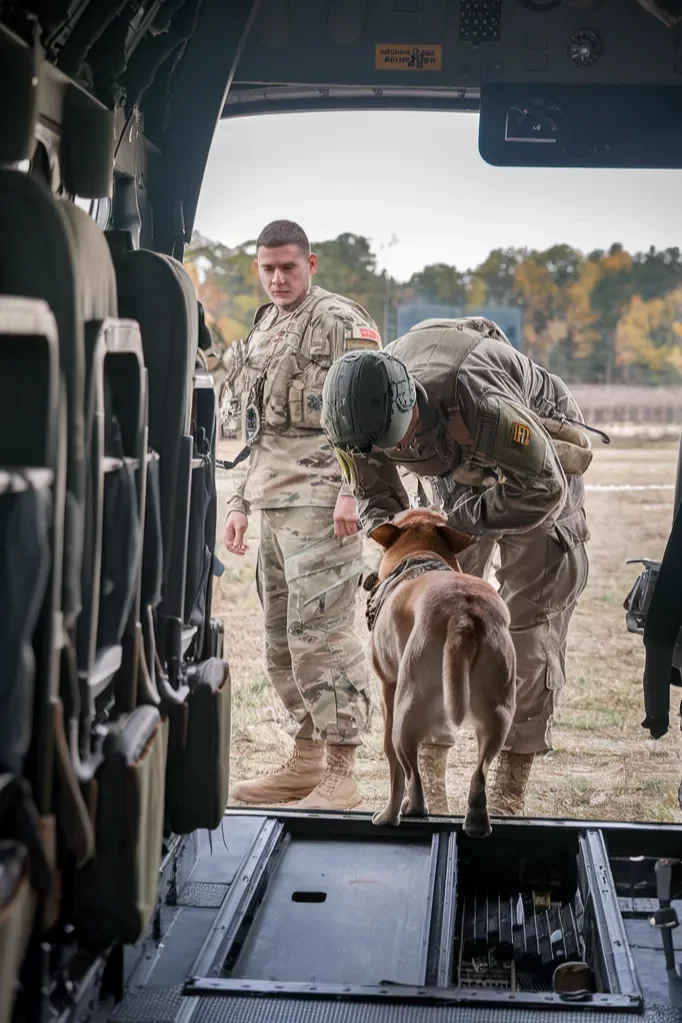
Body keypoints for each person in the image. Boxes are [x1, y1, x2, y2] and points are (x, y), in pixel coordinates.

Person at [321, 316, 592, 817]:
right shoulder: (356, 417)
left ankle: (507, 785)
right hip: (456, 472)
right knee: (433, 618)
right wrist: (405, 556)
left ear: (412, 408)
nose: (389, 452)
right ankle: (431, 779)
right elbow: (377, 498)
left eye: (394, 443)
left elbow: (546, 490)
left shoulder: (479, 403)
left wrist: (462, 520)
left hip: (534, 477)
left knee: (526, 627)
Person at [223, 219, 382, 811]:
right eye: (267, 268)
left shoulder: (341, 320)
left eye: (288, 267)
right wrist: (240, 501)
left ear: (310, 264)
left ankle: (342, 772)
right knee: (280, 641)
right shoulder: (265, 326)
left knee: (323, 636)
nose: (276, 278)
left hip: (323, 504)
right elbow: (254, 427)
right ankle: (307, 763)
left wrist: (352, 490)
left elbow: (373, 412)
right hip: (273, 500)